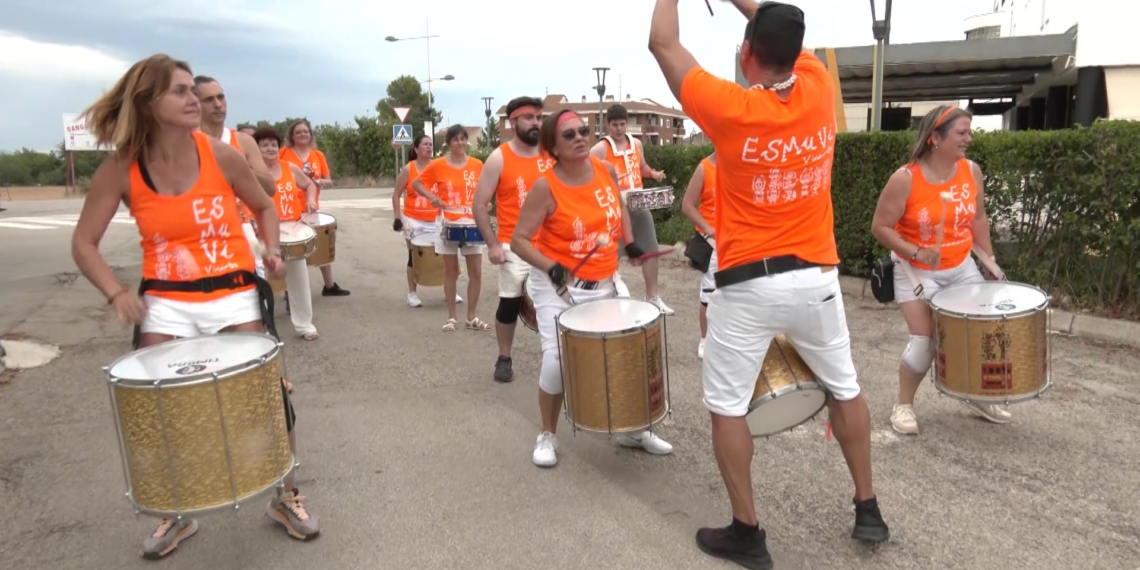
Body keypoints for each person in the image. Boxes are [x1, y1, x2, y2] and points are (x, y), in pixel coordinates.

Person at [648, 0, 890, 565]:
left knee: (728, 407)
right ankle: (868, 509)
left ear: (745, 54)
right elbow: (776, 24)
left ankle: (748, 532)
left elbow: (663, 42)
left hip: (746, 285)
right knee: (846, 388)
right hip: (817, 278)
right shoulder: (818, 85)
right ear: (795, 52)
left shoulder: (730, 107)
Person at [69, 54, 320, 559]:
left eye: (193, 90)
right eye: (180, 92)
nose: (194, 101)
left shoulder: (219, 155)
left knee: (268, 397)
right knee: (157, 408)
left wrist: (271, 248)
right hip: (166, 301)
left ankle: (285, 493)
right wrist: (117, 294)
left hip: (233, 292)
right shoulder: (121, 168)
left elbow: (264, 205)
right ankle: (174, 509)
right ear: (148, 102)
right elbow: (83, 243)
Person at [511, 109, 675, 467]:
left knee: (629, 350)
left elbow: (618, 207)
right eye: (569, 135)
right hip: (557, 286)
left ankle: (632, 428)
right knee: (557, 361)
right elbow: (519, 240)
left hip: (604, 279)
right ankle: (547, 433)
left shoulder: (604, 170)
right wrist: (550, 266)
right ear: (554, 147)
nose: (580, 138)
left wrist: (630, 243)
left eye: (583, 131)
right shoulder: (545, 187)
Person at [870, 105, 1010, 434]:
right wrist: (916, 250)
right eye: (961, 133)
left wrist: (988, 260)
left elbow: (978, 218)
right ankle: (904, 405)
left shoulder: (971, 171)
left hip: (961, 266)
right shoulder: (906, 179)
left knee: (979, 334)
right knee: (925, 342)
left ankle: (974, 394)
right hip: (916, 271)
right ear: (935, 137)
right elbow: (880, 226)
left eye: (969, 132)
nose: (968, 139)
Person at [472, 96, 553, 382]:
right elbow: (479, 205)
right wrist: (493, 244)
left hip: (552, 245)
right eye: (529, 118)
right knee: (509, 304)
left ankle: (557, 357)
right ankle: (504, 357)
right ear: (513, 122)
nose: (536, 123)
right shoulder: (499, 158)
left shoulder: (551, 154)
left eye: (539, 118)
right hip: (513, 245)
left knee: (559, 302)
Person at [590, 104, 674, 316]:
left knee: (651, 249)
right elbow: (586, 172)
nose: (619, 129)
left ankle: (653, 297)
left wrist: (653, 174)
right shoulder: (601, 148)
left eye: (622, 124)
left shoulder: (636, 144)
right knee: (612, 255)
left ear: (626, 123)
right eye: (615, 125)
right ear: (608, 124)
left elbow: (641, 167)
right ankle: (610, 299)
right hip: (615, 209)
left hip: (639, 204)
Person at [192, 75, 276, 279]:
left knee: (257, 279)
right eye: (209, 100)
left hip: (241, 226)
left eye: (220, 97)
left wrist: (239, 167)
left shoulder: (243, 141)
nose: (218, 104)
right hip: (199, 228)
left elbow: (269, 188)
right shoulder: (185, 142)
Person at [411, 125, 492, 332]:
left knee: (476, 271)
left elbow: (485, 187)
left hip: (472, 221)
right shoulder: (438, 165)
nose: (460, 143)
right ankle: (451, 317)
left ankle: (471, 316)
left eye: (463, 139)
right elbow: (417, 184)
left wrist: (486, 202)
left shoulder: (477, 164)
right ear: (448, 143)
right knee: (450, 270)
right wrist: (432, 197)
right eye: (455, 139)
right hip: (447, 221)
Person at [253, 125, 321, 341]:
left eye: (274, 144)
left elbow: (309, 185)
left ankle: (304, 325)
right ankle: (260, 327)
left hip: (292, 230)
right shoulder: (250, 171)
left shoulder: (288, 167)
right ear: (255, 149)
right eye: (265, 145)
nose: (271, 148)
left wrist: (310, 200)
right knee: (260, 279)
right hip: (261, 232)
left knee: (298, 279)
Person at [392, 135, 465, 307]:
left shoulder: (438, 166)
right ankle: (412, 294)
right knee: (414, 256)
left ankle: (450, 291)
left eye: (431, 144)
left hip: (436, 219)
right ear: (416, 149)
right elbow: (396, 195)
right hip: (413, 220)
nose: (429, 147)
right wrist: (397, 218)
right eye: (425, 144)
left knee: (447, 254)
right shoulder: (408, 169)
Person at [280, 120, 350, 297]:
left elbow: (329, 181)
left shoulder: (317, 155)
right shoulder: (283, 153)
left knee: (321, 246)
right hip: (288, 210)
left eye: (306, 131)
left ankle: (329, 285)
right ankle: (289, 292)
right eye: (298, 132)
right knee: (291, 252)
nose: (302, 134)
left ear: (311, 135)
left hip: (311, 208)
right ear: (292, 135)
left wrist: (317, 182)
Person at [680, 151, 717, 359]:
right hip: (711, 241)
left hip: (736, 241)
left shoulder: (740, 165)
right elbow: (687, 205)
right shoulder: (705, 168)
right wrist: (708, 228)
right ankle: (705, 338)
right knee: (709, 294)